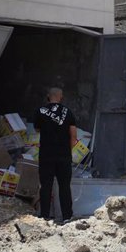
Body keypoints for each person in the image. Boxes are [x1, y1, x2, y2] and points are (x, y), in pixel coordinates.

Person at [34, 87, 77, 223]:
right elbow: (74, 136)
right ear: (60, 97)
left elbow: (37, 129)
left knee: (46, 185)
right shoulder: (68, 112)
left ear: (48, 96)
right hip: (64, 156)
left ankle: (45, 216)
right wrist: (68, 151)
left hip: (46, 155)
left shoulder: (40, 111)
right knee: (64, 186)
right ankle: (67, 217)